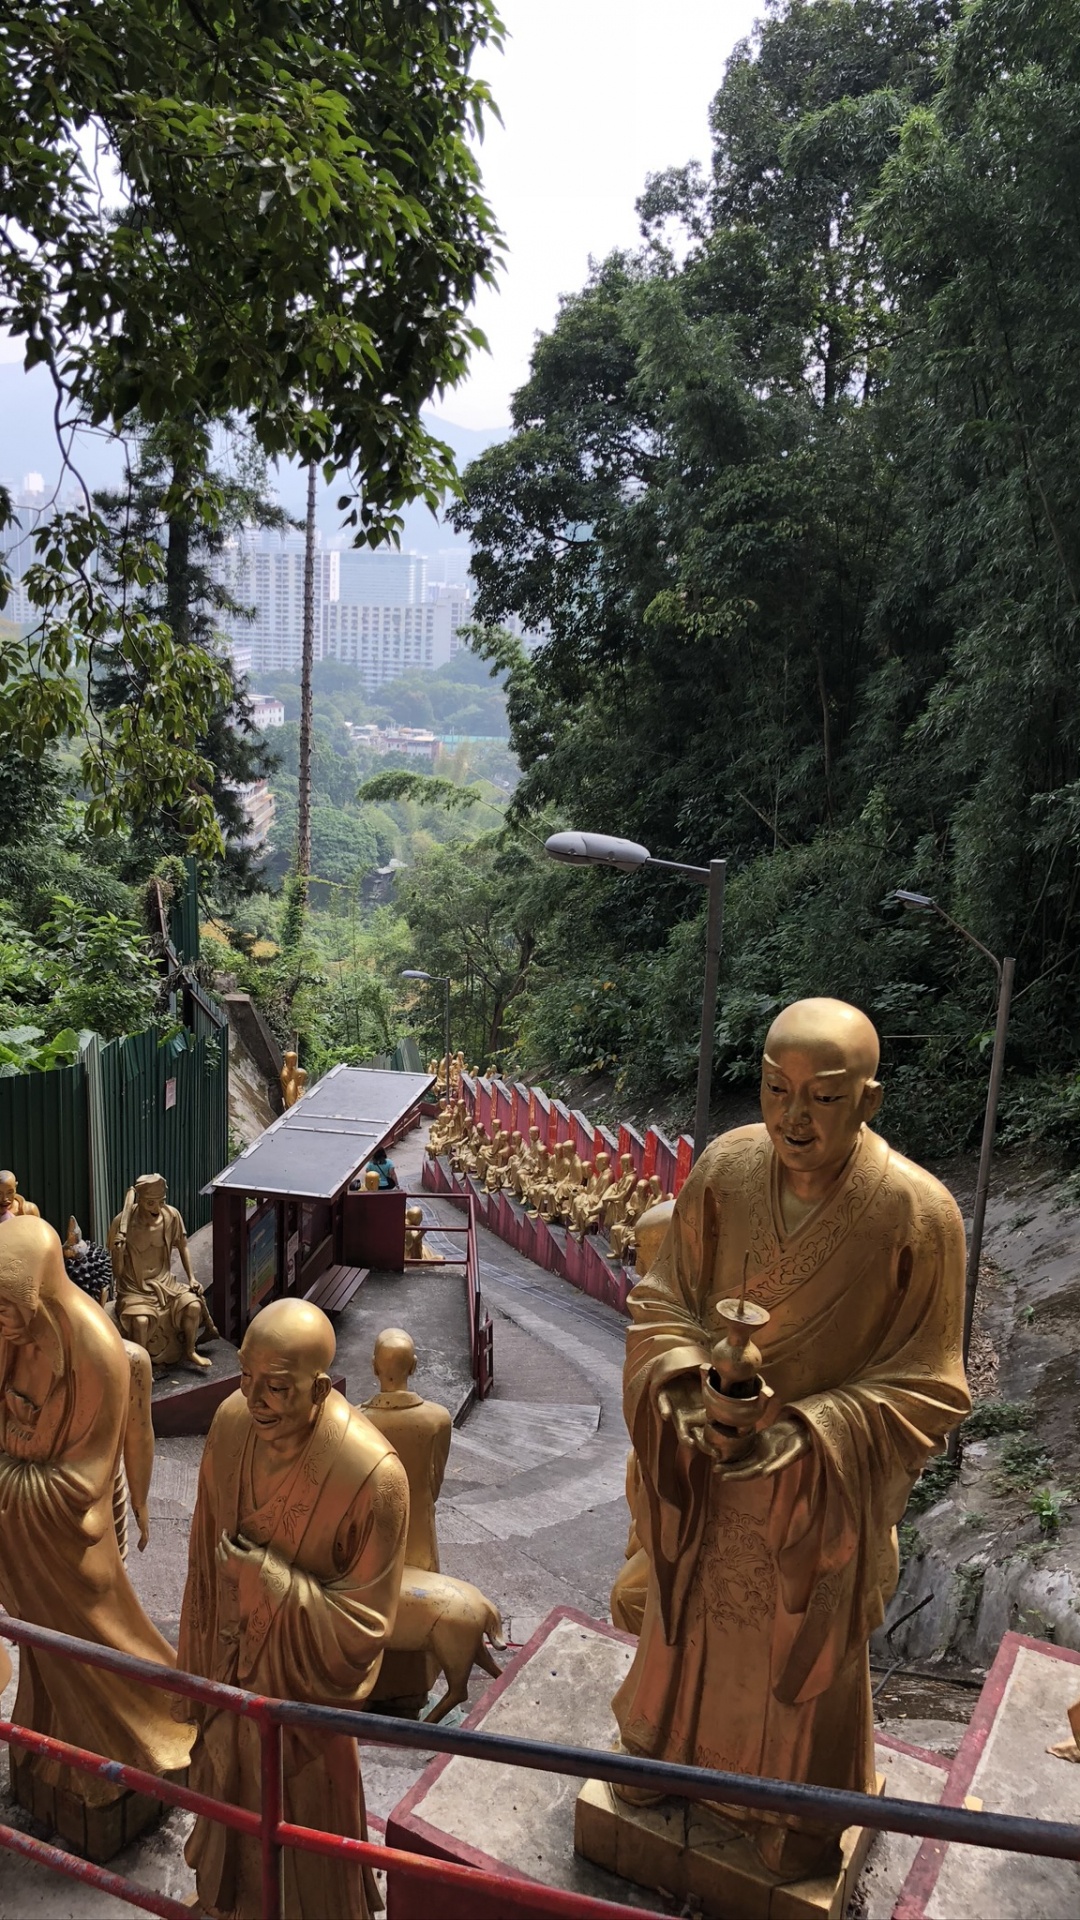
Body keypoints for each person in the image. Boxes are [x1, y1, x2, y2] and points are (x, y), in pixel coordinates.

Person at [604, 998, 969, 1881]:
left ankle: (787, 1819)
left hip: (814, 1499)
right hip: (709, 1474)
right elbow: (663, 1303)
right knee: (681, 1636)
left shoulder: (919, 1215)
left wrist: (810, 1431)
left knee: (794, 1671)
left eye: (823, 1098)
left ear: (869, 1101)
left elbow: (930, 1382)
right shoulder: (727, 1171)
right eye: (776, 1089)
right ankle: (662, 1765)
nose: (793, 1117)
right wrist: (691, 1389)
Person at [178, 1297, 408, 1920]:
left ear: (322, 1387)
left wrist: (273, 1586)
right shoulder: (229, 1425)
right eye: (248, 1380)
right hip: (228, 1678)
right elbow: (203, 1562)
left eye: (278, 1389)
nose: (256, 1402)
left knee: (305, 1855)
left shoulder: (371, 1475)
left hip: (304, 1721)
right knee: (228, 1819)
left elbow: (367, 1626)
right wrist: (194, 1675)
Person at [0, 1216, 194, 1836]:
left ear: (39, 1288)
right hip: (22, 1531)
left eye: (8, 1306)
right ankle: (50, 1743)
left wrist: (7, 1472)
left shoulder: (97, 1351)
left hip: (67, 1535)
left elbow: (83, 1481)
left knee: (95, 1639)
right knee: (40, 1651)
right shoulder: (8, 1332)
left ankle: (128, 1741)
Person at [107, 1173, 217, 1371]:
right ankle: (142, 1367)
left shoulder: (171, 1216)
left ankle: (190, 1350)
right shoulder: (121, 1224)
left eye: (161, 1202)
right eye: (150, 1203)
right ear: (139, 1200)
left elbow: (183, 1246)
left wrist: (191, 1278)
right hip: (135, 1290)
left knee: (193, 1306)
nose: (157, 1209)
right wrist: (118, 1252)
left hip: (166, 1283)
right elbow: (117, 1272)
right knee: (140, 1322)